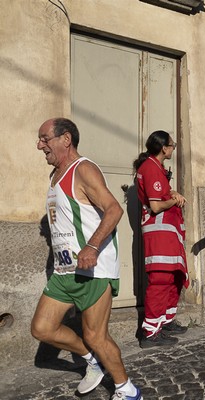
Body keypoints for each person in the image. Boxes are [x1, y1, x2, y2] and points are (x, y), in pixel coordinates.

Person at [31, 118, 142, 399]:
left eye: (45, 138)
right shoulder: (55, 175)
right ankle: (91, 360)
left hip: (94, 269)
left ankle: (126, 389)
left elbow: (114, 210)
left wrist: (92, 247)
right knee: (42, 328)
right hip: (65, 271)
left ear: (65, 139)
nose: (39, 145)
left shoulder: (84, 170)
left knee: (96, 335)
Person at [133, 130, 189, 348]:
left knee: (174, 277)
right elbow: (156, 205)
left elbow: (161, 193)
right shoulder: (150, 168)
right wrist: (174, 201)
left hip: (168, 232)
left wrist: (172, 192)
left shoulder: (157, 168)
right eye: (172, 145)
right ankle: (150, 331)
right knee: (160, 279)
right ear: (164, 148)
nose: (173, 148)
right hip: (159, 233)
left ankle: (164, 322)